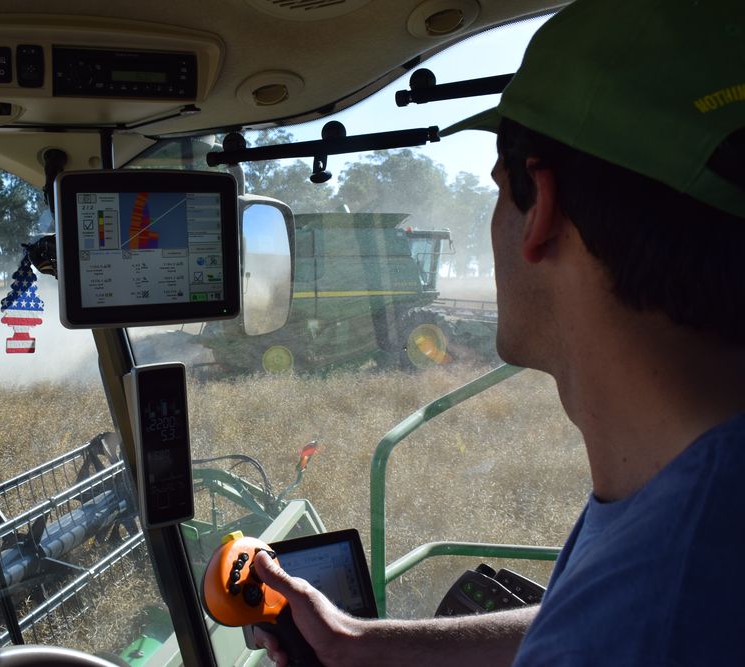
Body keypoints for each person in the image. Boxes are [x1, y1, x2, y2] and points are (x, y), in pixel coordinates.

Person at [252, 0, 745, 664]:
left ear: (538, 205)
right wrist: (356, 645)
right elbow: (588, 616)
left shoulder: (654, 615)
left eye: (494, 188)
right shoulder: (687, 509)